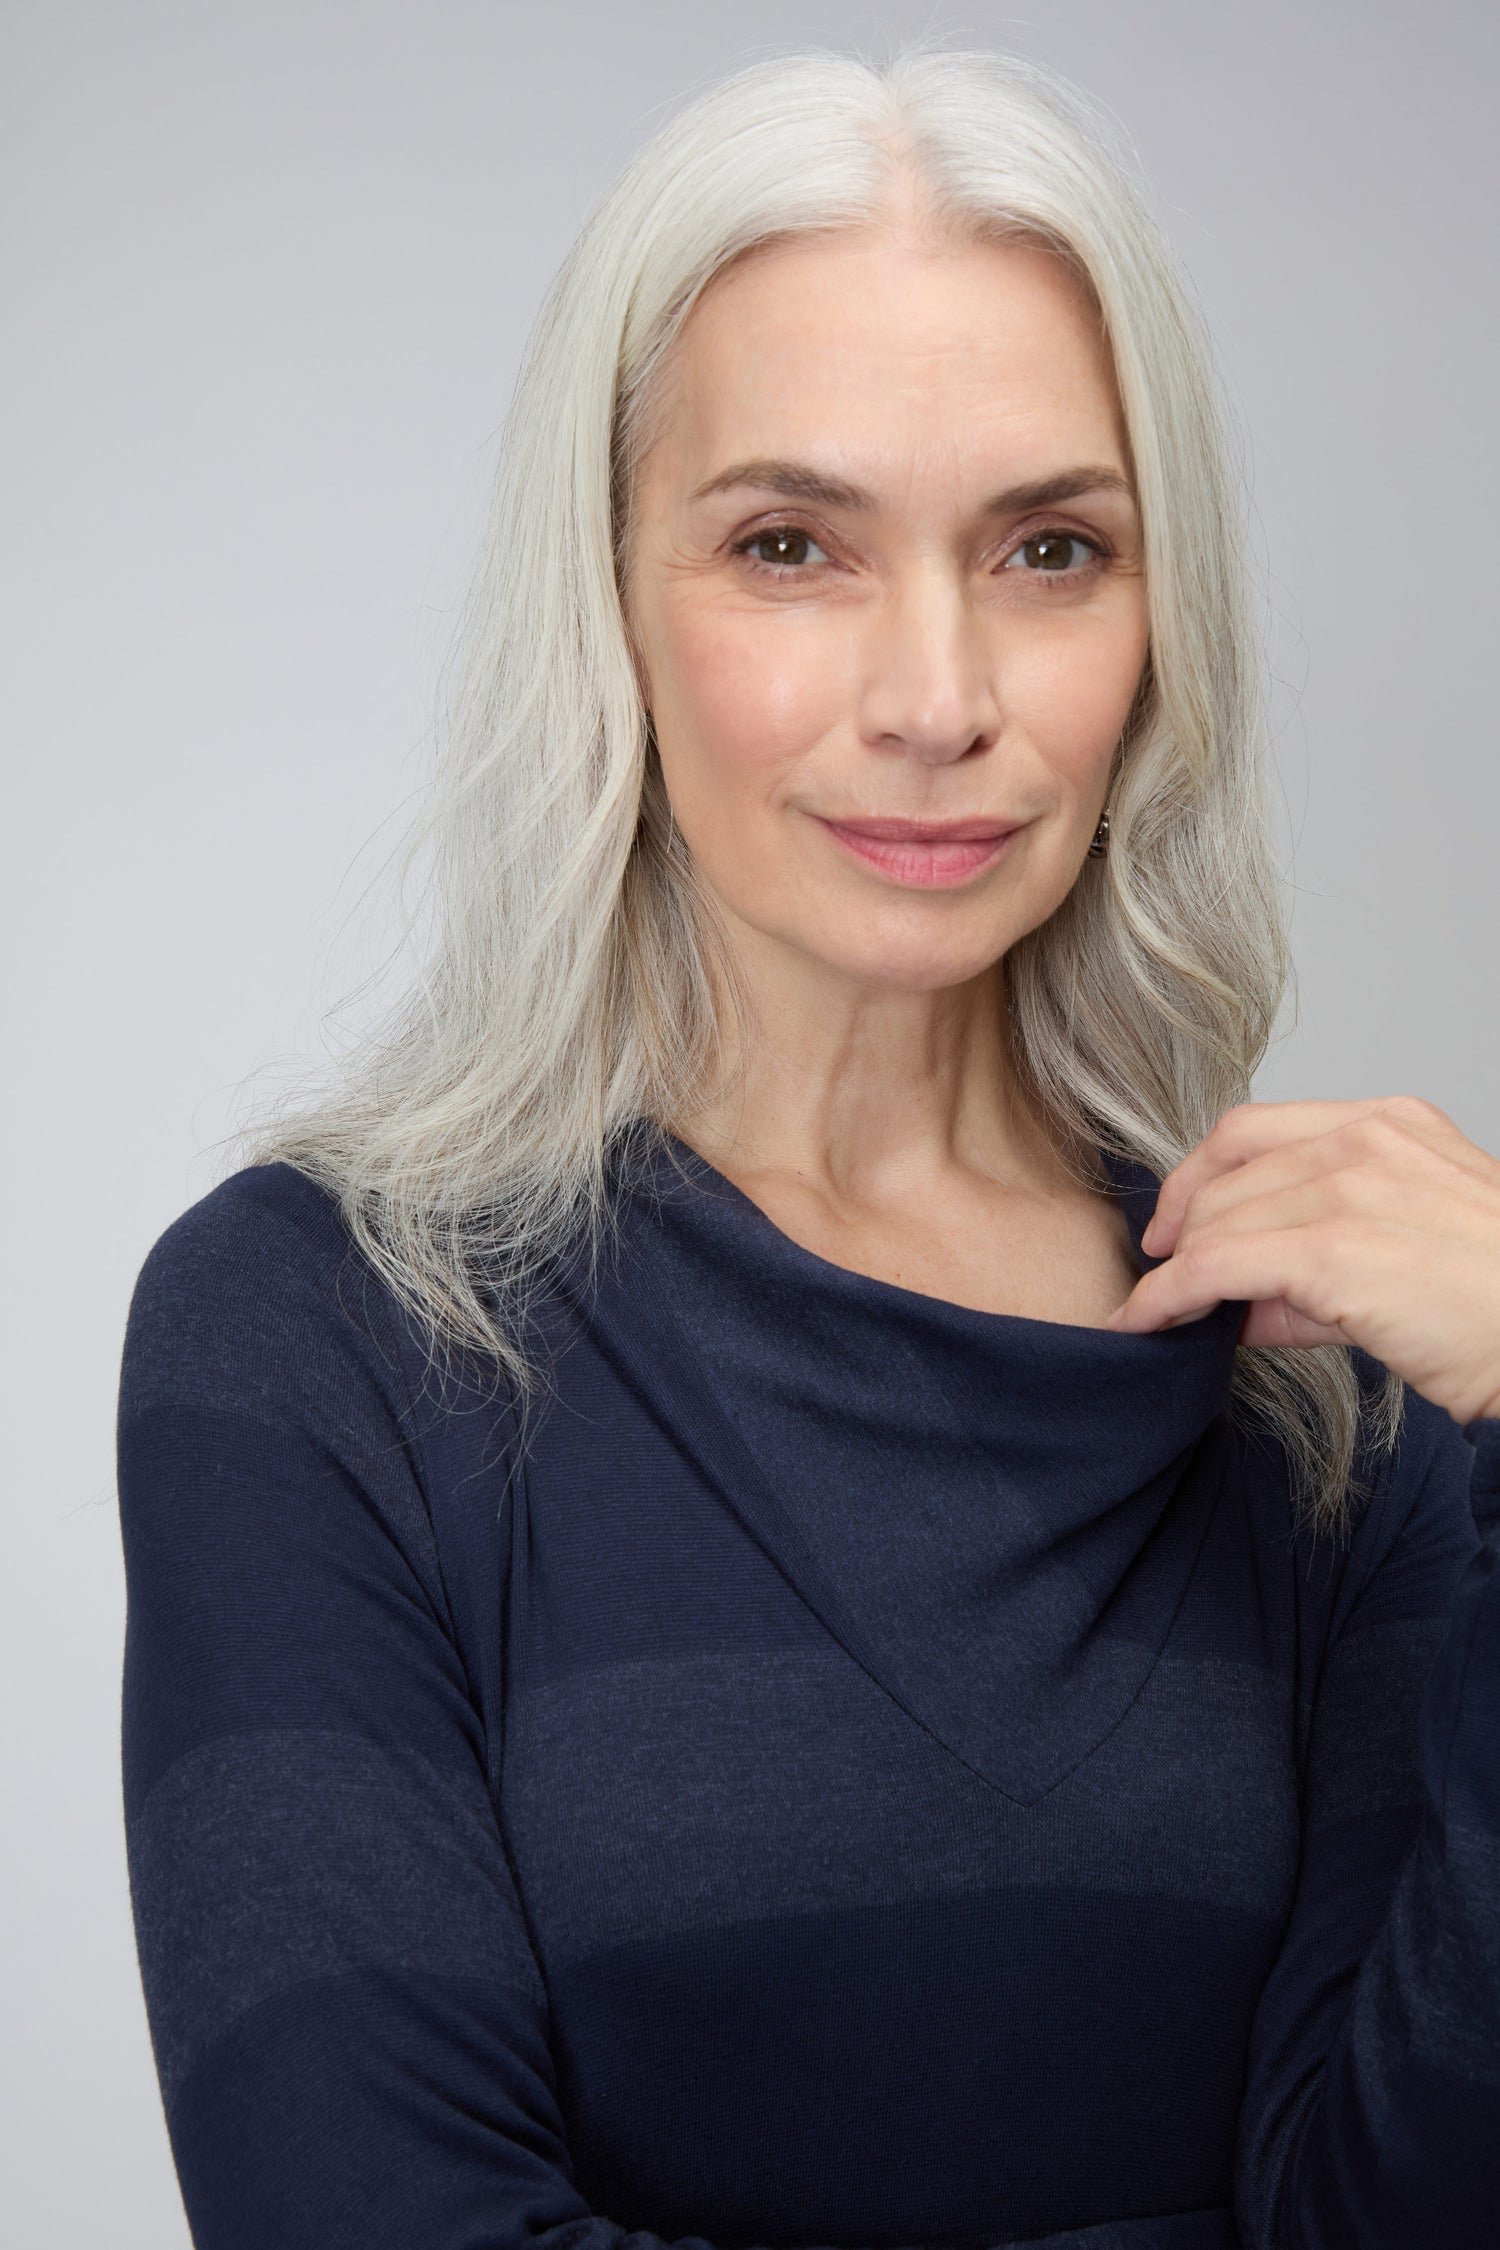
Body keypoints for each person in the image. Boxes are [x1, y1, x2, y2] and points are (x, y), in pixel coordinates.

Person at [116, 47, 1500, 2250]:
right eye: (791, 545)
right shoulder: (324, 1334)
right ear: (613, 595)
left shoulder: (1335, 1384)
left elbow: (1410, 2209)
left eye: (1052, 549)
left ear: (1159, 627)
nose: (936, 692)